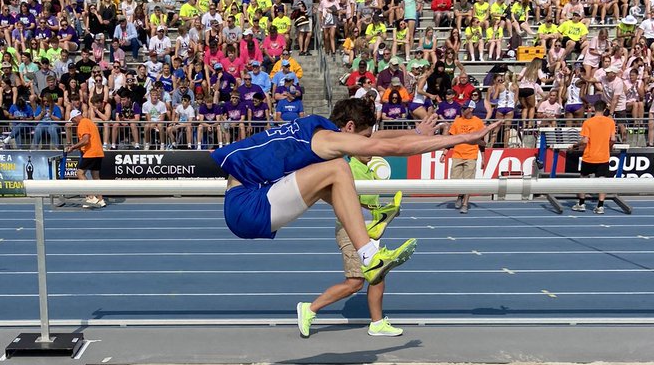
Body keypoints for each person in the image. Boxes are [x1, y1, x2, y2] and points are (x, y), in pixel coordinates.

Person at [212, 95, 501, 284]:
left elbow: (377, 138)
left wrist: (414, 133)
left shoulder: (318, 131)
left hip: (249, 199)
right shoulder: (328, 141)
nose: (365, 148)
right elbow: (389, 147)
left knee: (331, 178)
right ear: (348, 127)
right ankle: (369, 256)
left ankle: (370, 216)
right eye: (361, 138)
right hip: (248, 207)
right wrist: (462, 138)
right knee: (338, 169)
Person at [297, 151, 404, 338]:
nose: (370, 152)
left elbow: (367, 203)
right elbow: (341, 198)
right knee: (355, 282)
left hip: (370, 229)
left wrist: (386, 211)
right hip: (351, 229)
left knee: (377, 275)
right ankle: (310, 309)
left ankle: (377, 323)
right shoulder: (349, 169)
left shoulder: (367, 169)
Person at [573, 103, 615, 214]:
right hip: (603, 156)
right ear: (605, 109)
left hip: (589, 156)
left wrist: (575, 145)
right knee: (602, 181)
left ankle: (581, 203)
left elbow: (585, 141)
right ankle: (600, 206)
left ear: (593, 109)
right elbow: (613, 139)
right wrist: (609, 147)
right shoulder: (610, 122)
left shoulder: (588, 122)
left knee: (583, 179)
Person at [449, 100, 486, 214]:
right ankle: (460, 194)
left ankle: (465, 203)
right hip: (457, 154)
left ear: (470, 109)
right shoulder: (457, 121)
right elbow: (450, 139)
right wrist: (445, 152)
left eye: (464, 108)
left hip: (471, 155)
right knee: (454, 181)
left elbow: (482, 141)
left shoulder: (478, 122)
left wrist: (483, 158)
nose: (462, 110)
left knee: (469, 181)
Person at [66, 111, 106, 208]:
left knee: (80, 173)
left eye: (73, 120)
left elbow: (86, 140)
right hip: (98, 152)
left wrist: (73, 147)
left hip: (91, 153)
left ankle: (91, 197)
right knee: (96, 176)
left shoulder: (82, 123)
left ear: (75, 117)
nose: (74, 122)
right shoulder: (89, 121)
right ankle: (100, 199)